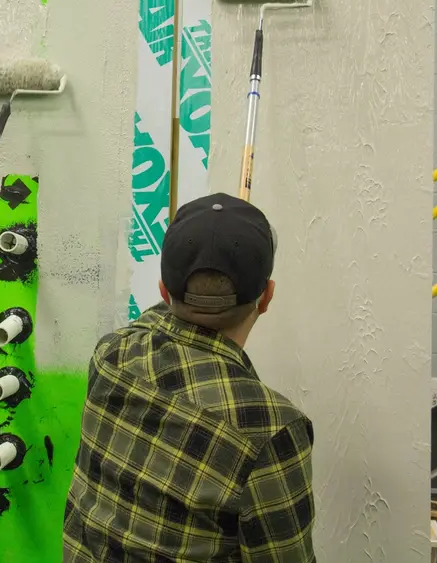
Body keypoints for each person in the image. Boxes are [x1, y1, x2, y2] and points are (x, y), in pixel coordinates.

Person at [63, 193, 316, 562]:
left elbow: (158, 320)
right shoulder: (270, 428)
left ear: (164, 291)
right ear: (267, 297)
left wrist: (203, 256)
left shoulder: (112, 354)